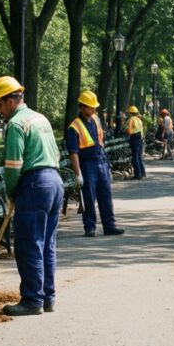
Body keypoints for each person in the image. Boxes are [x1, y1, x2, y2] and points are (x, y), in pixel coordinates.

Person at [0, 75, 63, 316]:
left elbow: (12, 166)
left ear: (10, 100)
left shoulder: (15, 124)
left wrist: (11, 192)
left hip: (34, 185)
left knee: (28, 243)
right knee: (47, 244)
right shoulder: (40, 119)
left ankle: (32, 300)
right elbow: (56, 154)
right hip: (54, 181)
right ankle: (48, 298)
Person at [66, 90, 125, 237]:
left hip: (101, 162)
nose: (94, 109)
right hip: (87, 165)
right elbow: (74, 152)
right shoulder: (74, 127)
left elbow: (100, 142)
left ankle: (109, 225)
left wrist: (107, 164)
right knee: (89, 196)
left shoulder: (96, 120)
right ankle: (90, 226)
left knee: (106, 195)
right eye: (91, 107)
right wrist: (77, 173)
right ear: (82, 107)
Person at [126, 105, 146, 180]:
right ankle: (143, 172)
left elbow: (130, 131)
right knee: (139, 157)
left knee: (135, 157)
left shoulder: (131, 120)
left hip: (135, 138)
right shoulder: (139, 119)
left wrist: (126, 130)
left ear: (130, 113)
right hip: (140, 138)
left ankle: (138, 174)